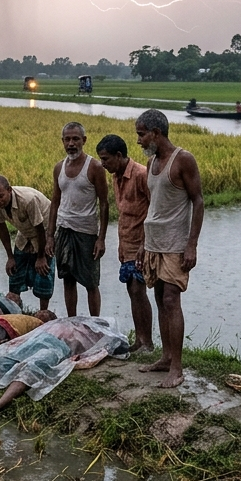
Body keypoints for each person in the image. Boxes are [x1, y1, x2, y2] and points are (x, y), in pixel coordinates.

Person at [0, 316, 128, 419]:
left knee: (32, 366)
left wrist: (80, 359)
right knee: (0, 361)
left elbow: (99, 353)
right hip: (34, 340)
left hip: (57, 348)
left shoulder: (94, 336)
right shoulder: (60, 322)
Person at [135, 109, 204, 389]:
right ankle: (165, 357)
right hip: (153, 243)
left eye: (141, 134)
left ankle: (177, 367)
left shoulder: (183, 160)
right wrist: (143, 243)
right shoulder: (152, 163)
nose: (138, 140)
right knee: (160, 297)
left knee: (171, 300)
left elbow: (198, 201)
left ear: (156, 133)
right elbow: (153, 206)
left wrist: (192, 245)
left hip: (176, 245)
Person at [96, 134, 153, 353]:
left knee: (139, 290)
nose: (103, 164)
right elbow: (124, 214)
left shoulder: (140, 175)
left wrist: (144, 244)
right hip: (127, 243)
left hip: (142, 244)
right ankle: (140, 339)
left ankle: (146, 342)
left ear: (119, 156)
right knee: (132, 290)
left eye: (106, 159)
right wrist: (121, 245)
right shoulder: (115, 176)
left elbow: (153, 210)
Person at [47, 122, 108, 317]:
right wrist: (50, 236)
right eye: (67, 139)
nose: (71, 143)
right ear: (62, 141)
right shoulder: (59, 168)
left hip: (86, 232)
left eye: (75, 139)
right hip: (64, 229)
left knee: (91, 282)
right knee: (68, 278)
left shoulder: (95, 167)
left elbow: (104, 203)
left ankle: (95, 324)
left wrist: (101, 238)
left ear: (84, 140)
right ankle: (71, 321)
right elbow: (55, 202)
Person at [0, 175, 54, 311]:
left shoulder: (28, 200)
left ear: (9, 190)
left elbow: (40, 229)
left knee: (43, 272)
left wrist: (41, 257)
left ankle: (43, 313)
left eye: (1, 196)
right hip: (24, 232)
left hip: (46, 230)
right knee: (15, 271)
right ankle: (14, 311)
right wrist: (10, 257)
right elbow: (2, 228)